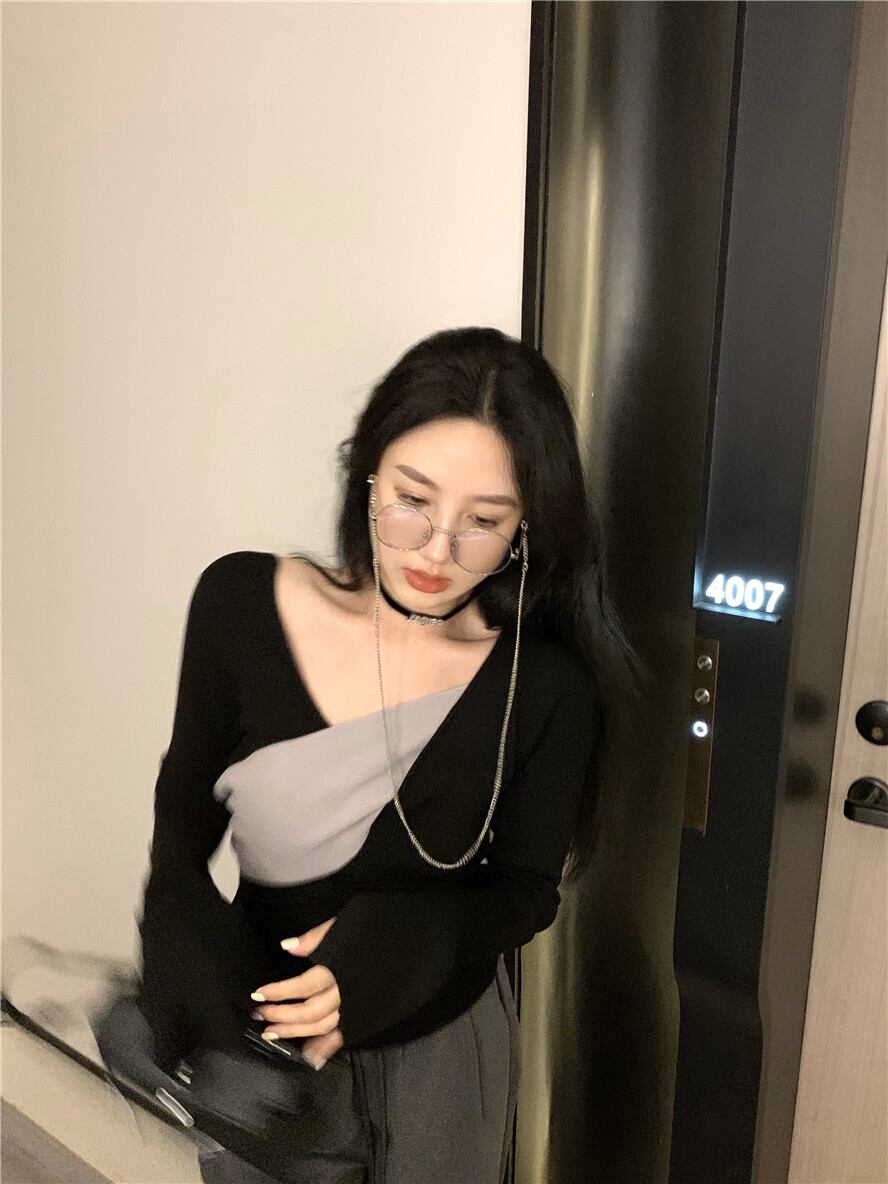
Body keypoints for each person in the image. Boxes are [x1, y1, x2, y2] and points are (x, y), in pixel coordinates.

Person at [133, 326, 645, 1184]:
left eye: (484, 522)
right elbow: (182, 816)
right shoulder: (241, 604)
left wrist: (413, 936)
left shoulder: (546, 686)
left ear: (524, 529)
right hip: (266, 1046)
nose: (437, 551)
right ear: (367, 474)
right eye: (413, 500)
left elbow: (525, 890)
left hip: (440, 1052)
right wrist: (185, 957)